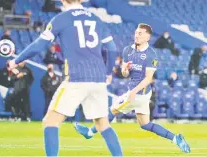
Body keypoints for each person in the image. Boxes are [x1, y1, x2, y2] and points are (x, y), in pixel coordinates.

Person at [8, 0, 123, 156]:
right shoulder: (96, 19)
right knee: (103, 125)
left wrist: (16, 60)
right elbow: (112, 49)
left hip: (77, 78)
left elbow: (40, 45)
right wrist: (108, 73)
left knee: (50, 122)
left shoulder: (61, 19)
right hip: (98, 78)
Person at [74, 24, 190, 153]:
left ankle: (89, 133)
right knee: (145, 124)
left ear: (148, 37)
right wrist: (125, 69)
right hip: (139, 93)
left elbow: (148, 79)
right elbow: (124, 74)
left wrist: (133, 92)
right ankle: (175, 138)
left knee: (109, 112)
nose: (136, 35)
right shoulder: (128, 51)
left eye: (140, 33)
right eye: (136, 32)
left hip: (139, 93)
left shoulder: (151, 55)